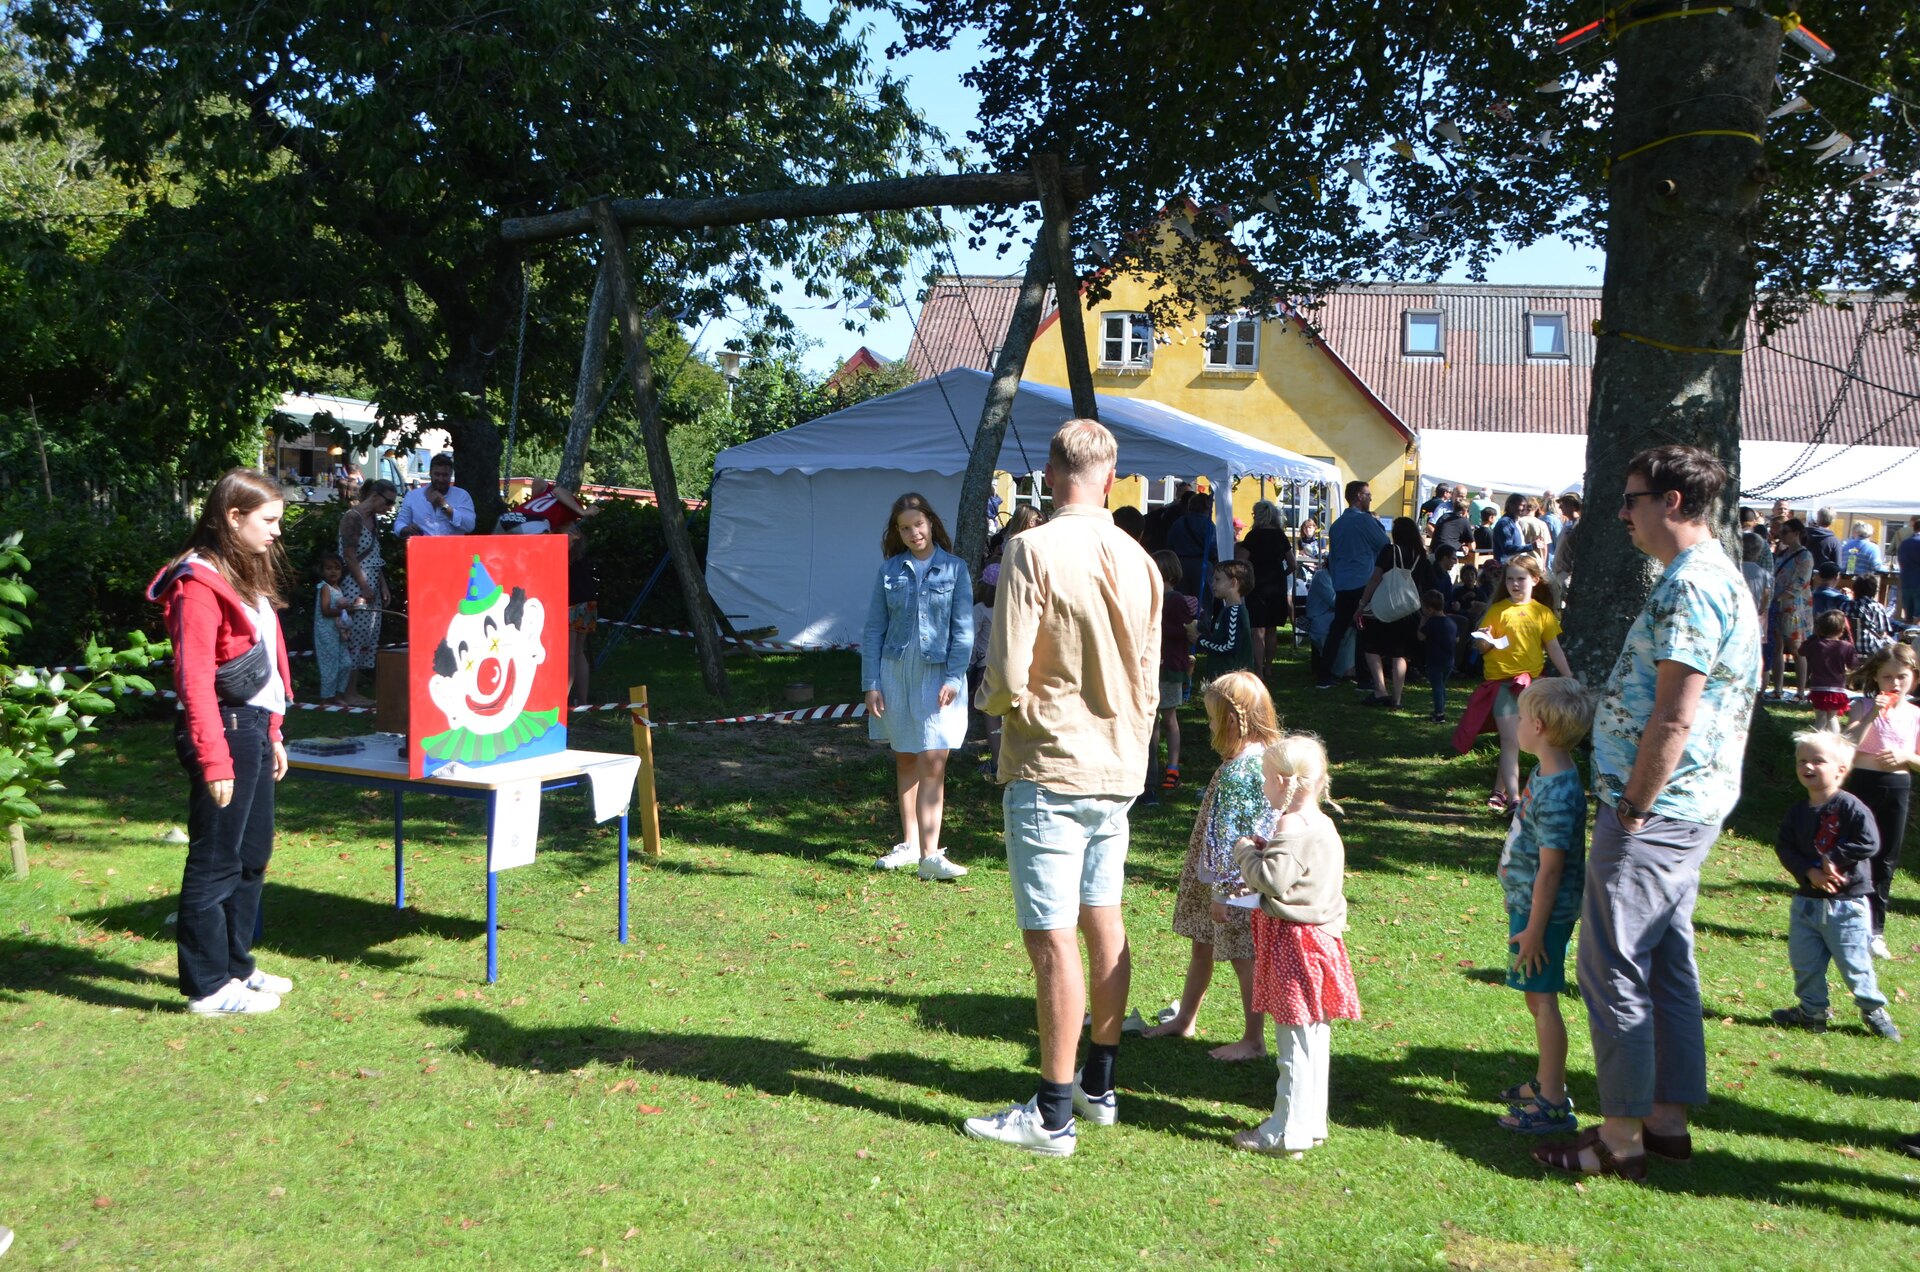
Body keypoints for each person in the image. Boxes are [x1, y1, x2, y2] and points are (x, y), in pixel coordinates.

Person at [1534, 445, 1761, 1183]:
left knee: (1615, 966)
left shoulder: (1694, 587)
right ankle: (1665, 1122)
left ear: (1670, 502)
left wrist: (1631, 806)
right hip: (1684, 808)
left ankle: (1621, 1135)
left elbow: (1674, 714)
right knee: (1666, 962)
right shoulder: (1707, 577)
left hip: (1656, 811)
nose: (1623, 514)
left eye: (1631, 499)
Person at [965, 419, 1161, 1157]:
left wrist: (985, 705)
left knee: (1052, 942)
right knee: (1102, 921)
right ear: (1110, 478)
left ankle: (1052, 1114)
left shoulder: (1030, 548)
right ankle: (1098, 1086)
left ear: (1052, 475)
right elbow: (1149, 676)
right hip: (1117, 767)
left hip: (1051, 765)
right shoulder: (1140, 559)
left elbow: (1007, 671)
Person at [143, 469, 296, 1016]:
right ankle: (206, 987)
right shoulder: (196, 584)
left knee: (252, 855)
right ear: (233, 517)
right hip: (222, 732)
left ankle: (236, 967)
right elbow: (195, 679)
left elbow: (267, 666)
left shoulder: (244, 574)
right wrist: (214, 758)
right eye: (269, 520)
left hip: (252, 727)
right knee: (216, 860)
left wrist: (273, 731)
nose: (277, 532)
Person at [1228, 733, 1361, 1156]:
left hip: (1294, 947)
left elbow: (1272, 880)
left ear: (1284, 782)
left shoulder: (1290, 825)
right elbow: (1299, 871)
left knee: (1294, 1045)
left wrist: (1246, 852)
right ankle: (1310, 1123)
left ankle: (1286, 1133)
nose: (1264, 788)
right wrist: (1270, 853)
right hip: (1320, 943)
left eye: (1266, 780)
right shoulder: (1321, 823)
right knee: (1312, 1039)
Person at [1143, 671, 1282, 1061]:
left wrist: (1225, 891)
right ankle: (1185, 1019)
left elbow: (1233, 836)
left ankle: (1253, 1040)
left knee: (1242, 955)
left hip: (1235, 882)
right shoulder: (1265, 758)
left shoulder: (1241, 771)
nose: (1208, 726)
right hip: (1228, 876)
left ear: (1231, 721)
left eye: (1211, 718)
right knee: (1202, 945)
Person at [1492, 679, 1594, 1136]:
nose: (1513, 723)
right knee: (1537, 998)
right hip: (1531, 909)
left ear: (1536, 726)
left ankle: (1553, 1101)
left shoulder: (1558, 793)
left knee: (1543, 1000)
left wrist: (1535, 930)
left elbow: (1551, 872)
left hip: (1542, 917)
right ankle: (1544, 1082)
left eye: (1520, 716)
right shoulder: (1550, 773)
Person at [862, 492, 973, 882]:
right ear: (898, 532)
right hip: (895, 672)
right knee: (906, 756)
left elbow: (963, 631)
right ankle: (909, 846)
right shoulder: (889, 570)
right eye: (904, 528)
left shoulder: (955, 569)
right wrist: (871, 683)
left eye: (918, 524)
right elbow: (874, 628)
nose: (913, 533)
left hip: (938, 673)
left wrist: (954, 677)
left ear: (930, 523)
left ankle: (931, 853)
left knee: (933, 760)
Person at [1767, 732, 1901, 1040]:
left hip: (1846, 904)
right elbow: (1785, 847)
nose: (1808, 766)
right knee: (1805, 962)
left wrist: (1835, 858)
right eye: (1802, 760)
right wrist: (1808, 872)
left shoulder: (1851, 807)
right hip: (1807, 903)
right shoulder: (1798, 811)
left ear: (1841, 770)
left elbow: (1869, 842)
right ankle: (1812, 1010)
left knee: (1854, 962)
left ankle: (1873, 1009)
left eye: (1817, 760)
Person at [1454, 554, 1572, 810]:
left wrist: (1569, 677)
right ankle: (1515, 799)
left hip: (1531, 686)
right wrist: (1484, 639)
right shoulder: (1497, 610)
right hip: (1502, 685)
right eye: (1510, 579)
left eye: (1521, 578)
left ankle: (1499, 791)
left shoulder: (1543, 614)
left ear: (1535, 580)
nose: (1515, 584)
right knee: (1510, 741)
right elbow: (1482, 648)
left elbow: (1554, 649)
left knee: (1520, 742)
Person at [1840, 643, 1920, 957]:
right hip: (1862, 783)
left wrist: (1906, 756)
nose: (1894, 684)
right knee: (1855, 851)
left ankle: (1875, 931)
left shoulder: (1915, 714)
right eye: (1887, 677)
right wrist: (1874, 712)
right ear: (1876, 677)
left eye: (1901, 677)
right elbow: (1847, 743)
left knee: (1886, 858)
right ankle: (1845, 921)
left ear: (1913, 677)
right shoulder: (1862, 707)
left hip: (1896, 786)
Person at [1353, 516, 1437, 709]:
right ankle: (1397, 699)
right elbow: (1429, 585)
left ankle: (1380, 690)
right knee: (1400, 654)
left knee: (1371, 647)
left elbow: (1375, 578)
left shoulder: (1390, 551)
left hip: (1385, 606)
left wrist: (1361, 604)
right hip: (1409, 610)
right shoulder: (1421, 556)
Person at [1312, 481, 1388, 690]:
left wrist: (1337, 580)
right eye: (1367, 494)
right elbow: (1385, 545)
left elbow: (1333, 557)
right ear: (1358, 496)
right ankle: (1363, 679)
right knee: (1363, 631)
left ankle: (1324, 676)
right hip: (1362, 582)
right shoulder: (1364, 521)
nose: (1371, 498)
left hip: (1343, 583)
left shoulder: (1337, 525)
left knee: (1338, 630)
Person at [336, 479, 396, 708]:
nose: (389, 507)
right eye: (388, 501)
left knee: (367, 637)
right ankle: (346, 692)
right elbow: (350, 556)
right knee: (354, 635)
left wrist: (382, 585)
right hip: (355, 583)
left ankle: (353, 690)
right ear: (375, 495)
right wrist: (364, 586)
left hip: (370, 581)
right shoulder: (352, 517)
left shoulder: (373, 520)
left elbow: (374, 555)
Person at [1149, 550, 1200, 794]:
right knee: (1152, 720)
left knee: (1168, 718)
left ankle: (1173, 768)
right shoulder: (1152, 598)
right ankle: (1153, 767)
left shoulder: (1175, 600)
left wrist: (1158, 624)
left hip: (1169, 666)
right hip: (1152, 665)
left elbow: (1186, 632)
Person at [1238, 500, 1293, 680]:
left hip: (1257, 584)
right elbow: (1292, 564)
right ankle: (1268, 667)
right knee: (1271, 629)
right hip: (1277, 584)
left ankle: (1258, 670)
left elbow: (1242, 560)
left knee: (1257, 630)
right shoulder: (1280, 535)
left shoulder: (1253, 536)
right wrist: (1281, 573)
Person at [1768, 518, 1813, 700]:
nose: (1781, 535)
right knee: (1777, 647)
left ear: (1796, 533)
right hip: (1777, 605)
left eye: (1785, 532)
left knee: (1797, 649)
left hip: (1795, 609)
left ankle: (1801, 691)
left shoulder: (1805, 556)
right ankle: (1777, 688)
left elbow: (1800, 584)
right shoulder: (1783, 554)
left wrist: (1780, 597)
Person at [1192, 559, 1255, 681]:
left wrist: (1200, 640)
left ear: (1233, 583)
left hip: (1232, 678)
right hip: (1226, 677)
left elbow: (1230, 646)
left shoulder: (1234, 612)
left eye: (1217, 579)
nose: (1212, 584)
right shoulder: (1227, 610)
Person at [391, 452, 477, 538]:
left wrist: (444, 506)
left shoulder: (461, 496)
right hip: (423, 549)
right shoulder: (413, 496)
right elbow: (399, 523)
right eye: (437, 474)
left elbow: (469, 526)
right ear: (430, 473)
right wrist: (407, 529)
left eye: (445, 475)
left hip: (452, 550)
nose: (440, 479)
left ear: (451, 475)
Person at [1801, 610, 1857, 732]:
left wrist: (1814, 636)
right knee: (1832, 717)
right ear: (1842, 628)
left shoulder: (1816, 644)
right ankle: (1835, 742)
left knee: (1820, 717)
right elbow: (1853, 664)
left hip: (1818, 687)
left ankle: (1815, 742)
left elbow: (1801, 651)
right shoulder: (1846, 646)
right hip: (1837, 688)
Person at [313, 552, 356, 706]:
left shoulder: (338, 588)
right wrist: (346, 611)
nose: (333, 571)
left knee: (345, 663)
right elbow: (325, 611)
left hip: (338, 632)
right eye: (329, 568)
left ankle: (338, 694)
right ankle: (326, 698)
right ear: (322, 571)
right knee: (329, 664)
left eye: (337, 568)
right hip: (326, 632)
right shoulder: (325, 588)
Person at [566, 527, 600, 708]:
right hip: (588, 604)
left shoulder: (564, 558)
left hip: (571, 604)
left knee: (569, 653)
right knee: (579, 652)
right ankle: (583, 700)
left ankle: (563, 701)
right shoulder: (582, 559)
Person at [1165, 489, 1218, 600]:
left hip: (1180, 565)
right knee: (1203, 604)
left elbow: (1170, 545)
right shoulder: (1208, 524)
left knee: (1182, 601)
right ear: (1207, 507)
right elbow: (1213, 548)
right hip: (1202, 566)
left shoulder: (1179, 522)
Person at [1416, 590, 1458, 725]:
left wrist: (1422, 622)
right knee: (1442, 686)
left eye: (1423, 608)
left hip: (1435, 661)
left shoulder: (1432, 622)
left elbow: (1420, 636)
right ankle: (1440, 709)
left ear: (1430, 609)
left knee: (1437, 688)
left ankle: (1439, 713)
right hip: (1449, 661)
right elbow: (1457, 639)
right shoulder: (1451, 622)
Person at [1846, 575, 1892, 659]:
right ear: (1874, 591)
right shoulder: (1877, 607)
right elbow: (1882, 632)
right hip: (1871, 649)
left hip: (1848, 646)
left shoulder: (1844, 605)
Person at [1431, 497, 1474, 567]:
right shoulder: (1464, 521)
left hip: (1434, 554)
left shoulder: (1443, 517)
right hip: (1448, 557)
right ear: (1464, 511)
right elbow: (1472, 546)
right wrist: (1465, 546)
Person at [1491, 493, 1529, 567]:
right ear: (1511, 506)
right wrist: (1530, 546)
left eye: (1526, 506)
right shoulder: (1505, 523)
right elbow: (1507, 548)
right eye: (1522, 505)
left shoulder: (1514, 522)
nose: (1525, 508)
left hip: (1514, 565)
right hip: (1506, 567)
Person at [1804, 506, 1840, 573]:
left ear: (1817, 518)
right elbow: (1836, 567)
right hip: (1822, 578)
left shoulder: (1803, 535)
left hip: (1801, 576)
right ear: (1833, 520)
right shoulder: (1834, 541)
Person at [1898, 515, 1920, 621]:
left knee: (1907, 617)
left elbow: (1901, 561)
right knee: (1918, 617)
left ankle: (1905, 638)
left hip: (1906, 581)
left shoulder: (1904, 543)